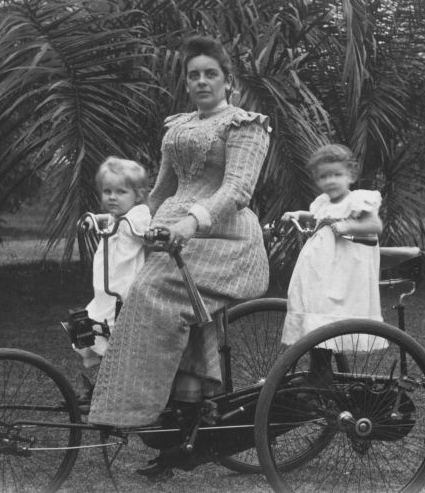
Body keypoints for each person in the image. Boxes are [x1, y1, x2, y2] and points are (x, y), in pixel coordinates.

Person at [87, 35, 271, 430]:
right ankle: (181, 413)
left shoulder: (245, 125)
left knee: (151, 291)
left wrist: (191, 222)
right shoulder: (178, 127)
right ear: (186, 84)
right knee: (133, 292)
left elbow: (237, 190)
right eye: (194, 76)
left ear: (227, 80)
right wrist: (127, 221)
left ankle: (127, 412)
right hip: (172, 235)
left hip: (227, 239)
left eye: (211, 74)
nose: (202, 81)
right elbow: (162, 191)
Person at [280, 143, 386, 379]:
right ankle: (320, 370)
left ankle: (321, 374)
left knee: (328, 315)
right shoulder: (323, 202)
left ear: (351, 175)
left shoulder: (358, 200)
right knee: (314, 313)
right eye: (324, 176)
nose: (330, 181)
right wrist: (300, 214)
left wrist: (348, 225)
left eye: (337, 175)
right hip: (319, 269)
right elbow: (321, 217)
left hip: (342, 271)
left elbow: (375, 226)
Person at [73, 157, 151, 371]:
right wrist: (95, 220)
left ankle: (109, 374)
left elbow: (143, 228)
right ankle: (98, 372)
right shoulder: (118, 216)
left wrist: (151, 233)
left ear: (138, 195)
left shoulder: (138, 214)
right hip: (107, 288)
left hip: (125, 288)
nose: (113, 197)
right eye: (107, 192)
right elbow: (110, 217)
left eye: (121, 192)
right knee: (86, 324)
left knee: (107, 329)